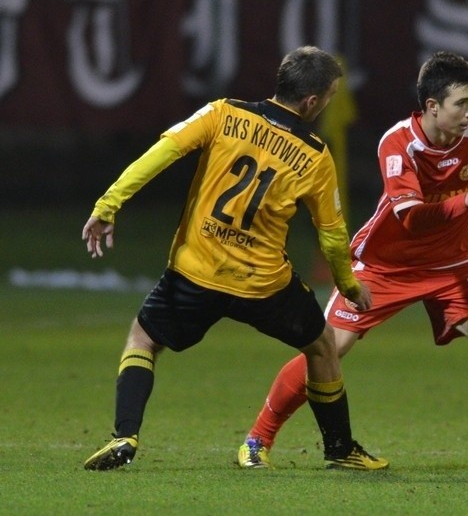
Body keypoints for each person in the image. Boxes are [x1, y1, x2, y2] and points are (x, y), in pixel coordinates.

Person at [237, 51, 468, 467]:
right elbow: (410, 217)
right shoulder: (398, 143)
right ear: (432, 106)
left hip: (452, 265)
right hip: (385, 266)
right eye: (460, 104)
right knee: (328, 349)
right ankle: (257, 440)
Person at [82, 45, 388, 472]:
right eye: (331, 96)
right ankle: (340, 448)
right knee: (321, 347)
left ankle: (125, 436)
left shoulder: (222, 113)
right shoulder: (315, 156)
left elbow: (161, 154)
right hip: (263, 284)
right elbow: (333, 238)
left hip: (196, 273)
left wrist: (108, 204)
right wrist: (349, 286)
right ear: (312, 101)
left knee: (143, 339)